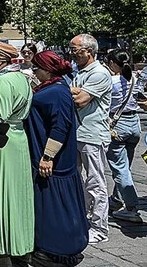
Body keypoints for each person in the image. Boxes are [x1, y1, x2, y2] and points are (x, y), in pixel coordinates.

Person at [26, 51, 88, 267]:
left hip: (56, 163)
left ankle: (57, 249)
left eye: (37, 68)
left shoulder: (57, 92)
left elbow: (60, 126)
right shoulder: (57, 87)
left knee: (56, 207)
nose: (34, 71)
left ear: (48, 69)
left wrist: (47, 156)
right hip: (54, 162)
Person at [0, 42, 35, 264]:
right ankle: (22, 242)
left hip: (1, 143)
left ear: (0, 62)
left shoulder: (2, 81)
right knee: (19, 194)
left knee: (2, 194)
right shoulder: (23, 79)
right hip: (18, 138)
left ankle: (2, 243)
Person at [68, 34, 112, 244]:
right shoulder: (80, 72)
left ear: (88, 50)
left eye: (75, 49)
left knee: (95, 181)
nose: (72, 53)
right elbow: (74, 95)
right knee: (78, 179)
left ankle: (100, 227)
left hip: (93, 134)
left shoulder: (100, 73)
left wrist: (73, 92)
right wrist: (74, 91)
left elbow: (80, 100)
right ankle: (84, 219)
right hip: (78, 132)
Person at [104, 49, 142, 223]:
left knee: (120, 168)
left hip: (117, 124)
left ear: (112, 63)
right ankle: (117, 200)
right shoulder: (134, 78)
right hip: (134, 122)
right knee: (125, 166)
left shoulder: (111, 81)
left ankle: (132, 208)